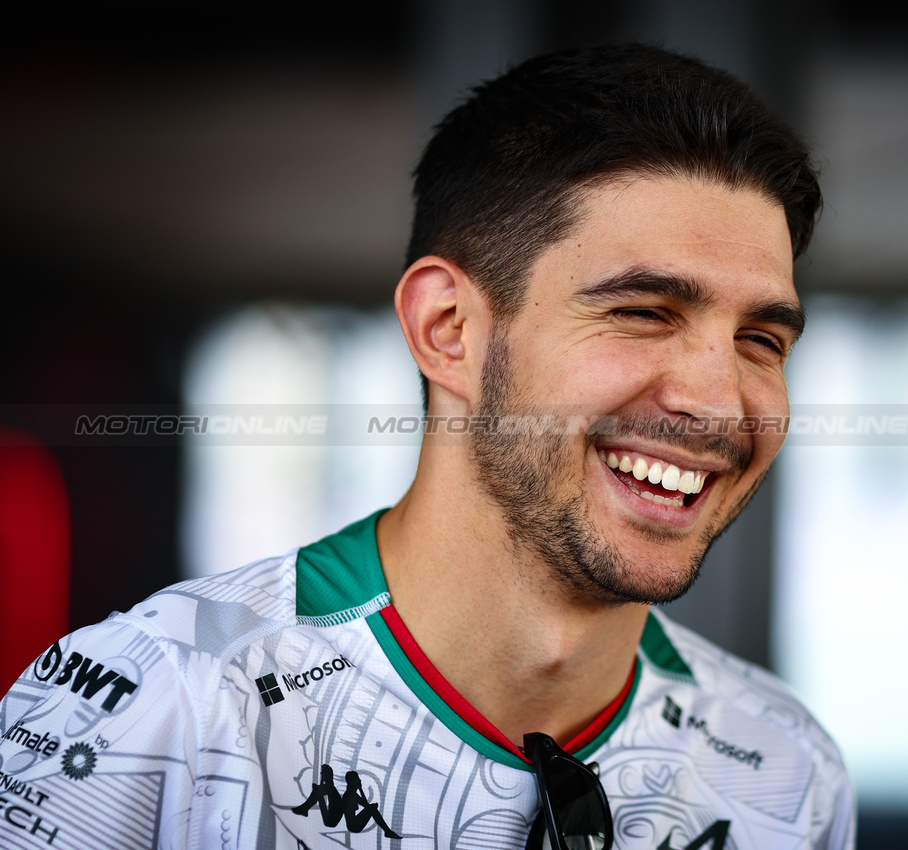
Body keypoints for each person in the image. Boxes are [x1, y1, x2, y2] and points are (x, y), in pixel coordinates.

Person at [0, 44, 854, 849]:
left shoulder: (786, 769)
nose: (715, 401)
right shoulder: (143, 707)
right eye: (643, 312)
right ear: (448, 330)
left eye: (761, 340)